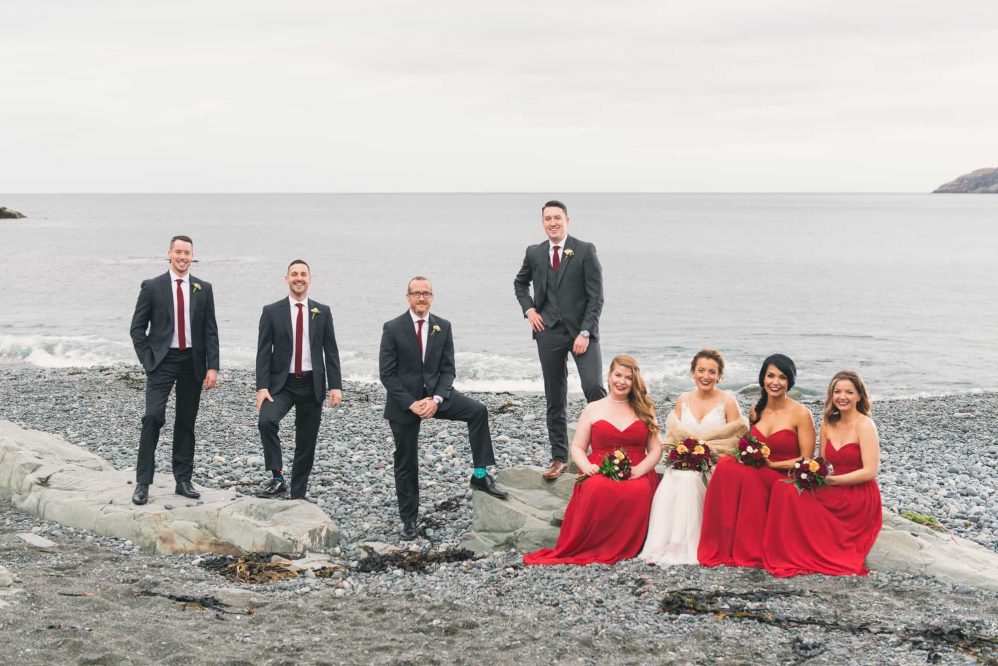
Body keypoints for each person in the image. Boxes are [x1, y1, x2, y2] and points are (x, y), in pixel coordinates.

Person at [380, 276, 508, 541]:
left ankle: (481, 475)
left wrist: (436, 399)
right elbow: (387, 374)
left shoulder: (443, 326)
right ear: (407, 297)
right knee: (406, 461)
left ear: (432, 297)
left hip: (436, 396)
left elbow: (448, 370)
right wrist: (412, 403)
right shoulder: (392, 328)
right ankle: (409, 519)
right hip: (405, 402)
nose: (421, 298)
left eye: (426, 293)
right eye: (416, 293)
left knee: (478, 411)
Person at [524, 355, 662, 566]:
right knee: (598, 488)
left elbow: (656, 449)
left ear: (635, 381)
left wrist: (641, 469)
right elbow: (578, 447)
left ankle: (625, 547)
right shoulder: (593, 408)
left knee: (637, 491)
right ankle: (595, 545)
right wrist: (586, 466)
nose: (622, 381)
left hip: (637, 468)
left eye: (628, 377)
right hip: (599, 466)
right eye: (618, 375)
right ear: (608, 376)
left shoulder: (645, 408)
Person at [514, 200, 606, 480]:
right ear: (543, 222)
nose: (552, 222)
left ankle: (605, 450)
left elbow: (596, 297)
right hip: (548, 333)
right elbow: (520, 283)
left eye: (557, 218)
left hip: (582, 332)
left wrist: (585, 332)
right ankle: (558, 458)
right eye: (547, 219)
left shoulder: (585, 250)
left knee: (594, 388)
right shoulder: (534, 252)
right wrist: (529, 310)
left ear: (567, 219)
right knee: (555, 396)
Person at [697, 353, 815, 568]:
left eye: (782, 377)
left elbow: (807, 459)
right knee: (726, 466)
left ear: (789, 382)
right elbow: (751, 446)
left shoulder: (801, 414)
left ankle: (749, 548)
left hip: (785, 474)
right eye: (770, 376)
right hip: (761, 469)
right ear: (762, 379)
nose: (775, 382)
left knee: (748, 476)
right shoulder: (756, 410)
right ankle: (722, 540)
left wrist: (773, 464)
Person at [763, 371, 882, 577]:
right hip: (834, 484)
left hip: (858, 494)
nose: (842, 397)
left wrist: (831, 481)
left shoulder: (865, 425)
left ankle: (812, 548)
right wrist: (808, 474)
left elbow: (870, 472)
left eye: (849, 392)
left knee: (793, 493)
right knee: (785, 487)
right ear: (831, 395)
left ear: (859, 396)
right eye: (837, 392)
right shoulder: (828, 424)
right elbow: (823, 462)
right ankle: (786, 549)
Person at [129, 235, 219, 505]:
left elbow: (210, 331)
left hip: (193, 362)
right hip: (162, 361)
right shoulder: (153, 287)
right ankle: (143, 482)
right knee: (153, 417)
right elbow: (137, 328)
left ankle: (183, 480)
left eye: (187, 253)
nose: (182, 257)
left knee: (186, 422)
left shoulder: (203, 288)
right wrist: (148, 360)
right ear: (169, 253)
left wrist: (212, 366)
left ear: (192, 256)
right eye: (178, 252)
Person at [640, 349, 747, 567]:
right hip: (685, 461)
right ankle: (662, 543)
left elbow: (736, 440)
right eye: (701, 370)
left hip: (714, 463)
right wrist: (683, 455)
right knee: (674, 475)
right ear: (693, 372)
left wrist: (707, 453)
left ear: (719, 376)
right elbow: (672, 438)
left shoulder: (728, 402)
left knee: (688, 479)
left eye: (712, 372)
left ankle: (683, 545)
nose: (706, 376)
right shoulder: (683, 400)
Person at [255, 260, 343, 500]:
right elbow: (263, 352)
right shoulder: (272, 311)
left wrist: (336, 386)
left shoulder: (322, 311)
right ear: (287, 279)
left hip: (311, 384)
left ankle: (298, 494)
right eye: (294, 274)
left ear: (309, 279)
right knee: (266, 421)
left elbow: (330, 350)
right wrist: (261, 387)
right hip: (281, 385)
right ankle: (277, 476)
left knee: (306, 442)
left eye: (303, 274)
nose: (299, 278)